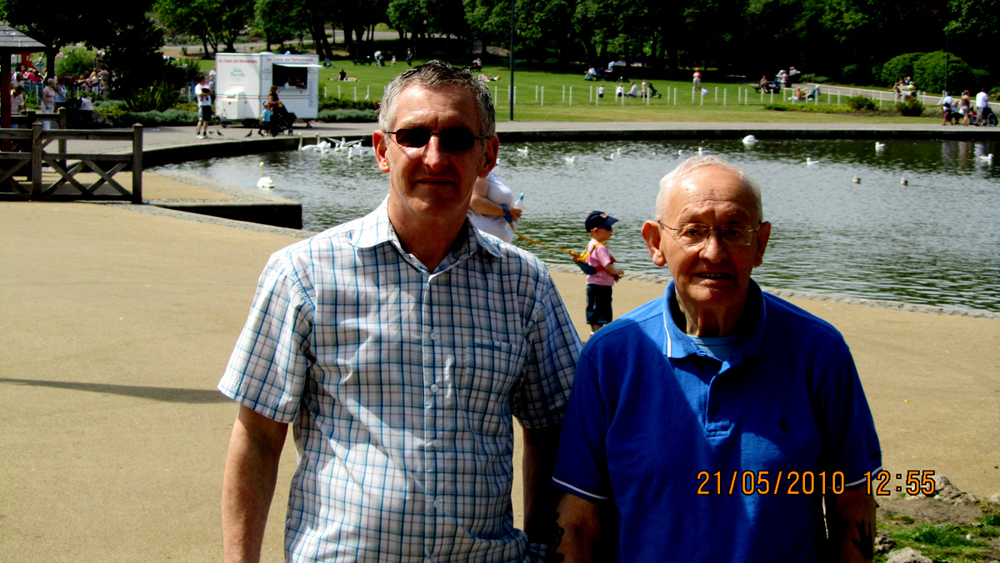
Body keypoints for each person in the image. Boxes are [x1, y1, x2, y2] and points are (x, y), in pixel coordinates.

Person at [219, 60, 582, 563]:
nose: (434, 157)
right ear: (381, 150)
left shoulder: (526, 286)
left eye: (456, 138)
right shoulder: (302, 274)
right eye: (413, 135)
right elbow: (258, 438)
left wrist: (544, 551)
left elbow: (554, 428)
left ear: (487, 155)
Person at [553, 155, 882, 562]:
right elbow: (579, 522)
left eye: (734, 231)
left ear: (759, 244)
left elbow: (853, 506)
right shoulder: (610, 359)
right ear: (656, 243)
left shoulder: (819, 352)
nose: (714, 252)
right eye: (693, 232)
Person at [583, 211, 624, 335]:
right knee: (601, 309)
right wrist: (617, 271)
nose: (611, 231)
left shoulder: (590, 245)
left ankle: (594, 332)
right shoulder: (600, 247)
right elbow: (607, 265)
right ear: (596, 230)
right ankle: (598, 333)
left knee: (593, 308)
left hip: (592, 282)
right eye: (608, 228)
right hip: (602, 284)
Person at [468, 170, 520, 242]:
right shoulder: (480, 171)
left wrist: (509, 212)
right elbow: (476, 202)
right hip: (481, 241)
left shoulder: (488, 172)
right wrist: (505, 211)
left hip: (494, 243)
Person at [195, 74, 212, 139]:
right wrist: (206, 93)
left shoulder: (206, 86)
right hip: (202, 105)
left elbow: (211, 93)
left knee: (207, 120)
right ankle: (198, 133)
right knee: (201, 119)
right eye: (204, 79)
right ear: (202, 79)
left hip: (208, 104)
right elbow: (200, 94)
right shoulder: (198, 87)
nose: (205, 80)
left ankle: (205, 133)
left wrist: (209, 91)